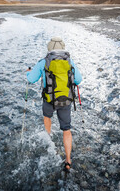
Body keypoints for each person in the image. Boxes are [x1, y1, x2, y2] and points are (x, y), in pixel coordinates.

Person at [26, 37, 82, 172]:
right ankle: (68, 161)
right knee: (66, 130)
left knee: (47, 117)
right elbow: (78, 80)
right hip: (65, 100)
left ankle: (48, 138)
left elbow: (32, 79)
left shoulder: (43, 62)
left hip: (49, 100)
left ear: (49, 48)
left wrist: (28, 73)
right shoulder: (70, 61)